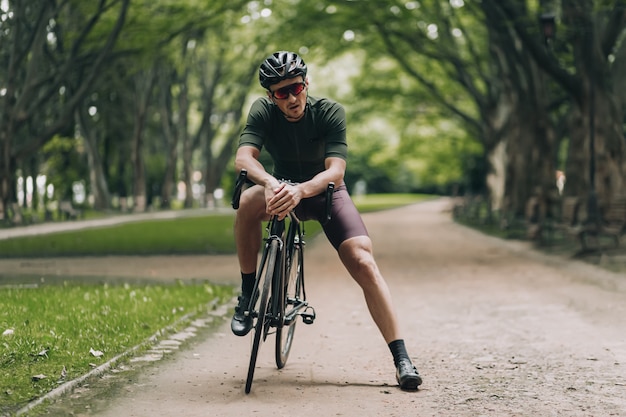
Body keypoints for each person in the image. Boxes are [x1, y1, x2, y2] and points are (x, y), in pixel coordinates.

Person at [231, 51, 422, 391]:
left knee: (363, 260)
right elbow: (244, 158)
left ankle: (402, 358)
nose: (292, 97)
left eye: (297, 87)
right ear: (270, 96)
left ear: (306, 84)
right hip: (279, 187)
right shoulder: (261, 112)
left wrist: (301, 190)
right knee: (247, 201)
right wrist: (271, 184)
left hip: (324, 191)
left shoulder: (329, 112)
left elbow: (335, 170)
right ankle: (247, 296)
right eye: (281, 92)